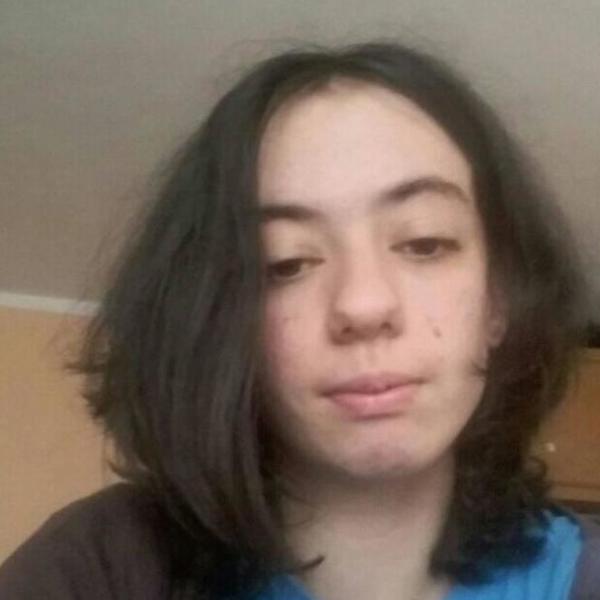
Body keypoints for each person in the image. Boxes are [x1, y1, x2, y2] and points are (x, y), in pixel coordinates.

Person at [0, 41, 598, 600]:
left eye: (424, 243)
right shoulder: (97, 566)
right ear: (220, 318)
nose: (363, 305)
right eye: (284, 263)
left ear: (499, 302)